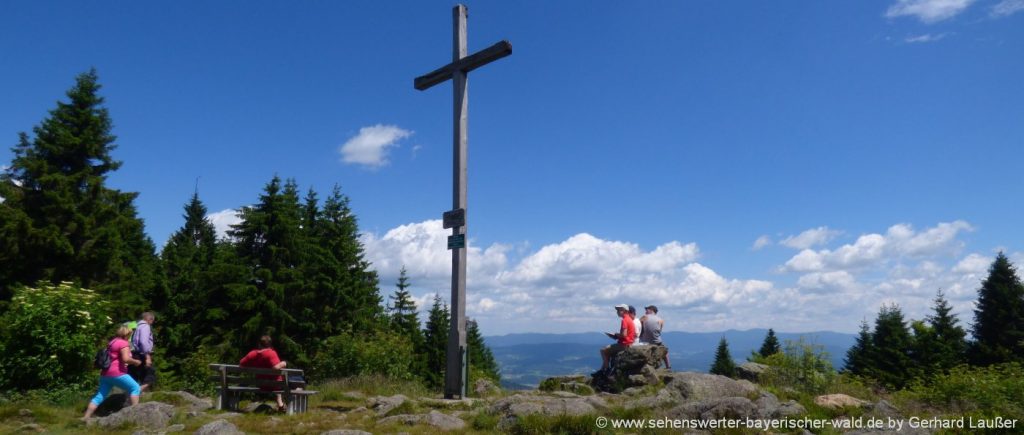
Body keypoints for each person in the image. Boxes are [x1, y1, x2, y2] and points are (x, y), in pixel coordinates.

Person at [83, 325, 143, 419]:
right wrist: (136, 362)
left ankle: (86, 417)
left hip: (105, 374)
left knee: (100, 396)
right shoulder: (123, 343)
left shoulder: (112, 342)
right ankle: (134, 415)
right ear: (127, 334)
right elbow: (126, 359)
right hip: (117, 373)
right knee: (135, 388)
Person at [240, 335, 288, 412]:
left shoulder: (253, 354)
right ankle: (281, 405)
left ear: (259, 344)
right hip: (274, 385)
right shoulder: (271, 353)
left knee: (276, 381)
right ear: (270, 344)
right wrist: (284, 363)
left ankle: (280, 404)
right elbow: (275, 368)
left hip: (261, 384)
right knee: (284, 381)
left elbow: (241, 363)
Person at [598, 304, 636, 374]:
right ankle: (603, 370)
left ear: (625, 311)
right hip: (629, 343)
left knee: (603, 350)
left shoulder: (624, 320)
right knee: (608, 351)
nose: (618, 312)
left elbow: (624, 335)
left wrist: (616, 334)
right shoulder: (629, 319)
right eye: (617, 310)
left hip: (624, 345)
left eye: (620, 310)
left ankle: (606, 369)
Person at [128, 312, 157, 393]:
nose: (152, 323)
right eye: (152, 320)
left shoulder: (136, 326)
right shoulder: (145, 326)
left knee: (136, 376)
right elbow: (143, 342)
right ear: (149, 319)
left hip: (133, 354)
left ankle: (133, 395)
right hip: (141, 354)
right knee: (150, 375)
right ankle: (137, 391)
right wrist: (147, 356)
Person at [640, 305, 671, 370]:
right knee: (665, 351)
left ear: (651, 310)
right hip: (656, 342)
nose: (645, 311)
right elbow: (659, 331)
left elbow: (639, 328)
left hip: (644, 342)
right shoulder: (661, 320)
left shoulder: (644, 317)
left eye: (647, 309)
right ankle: (668, 366)